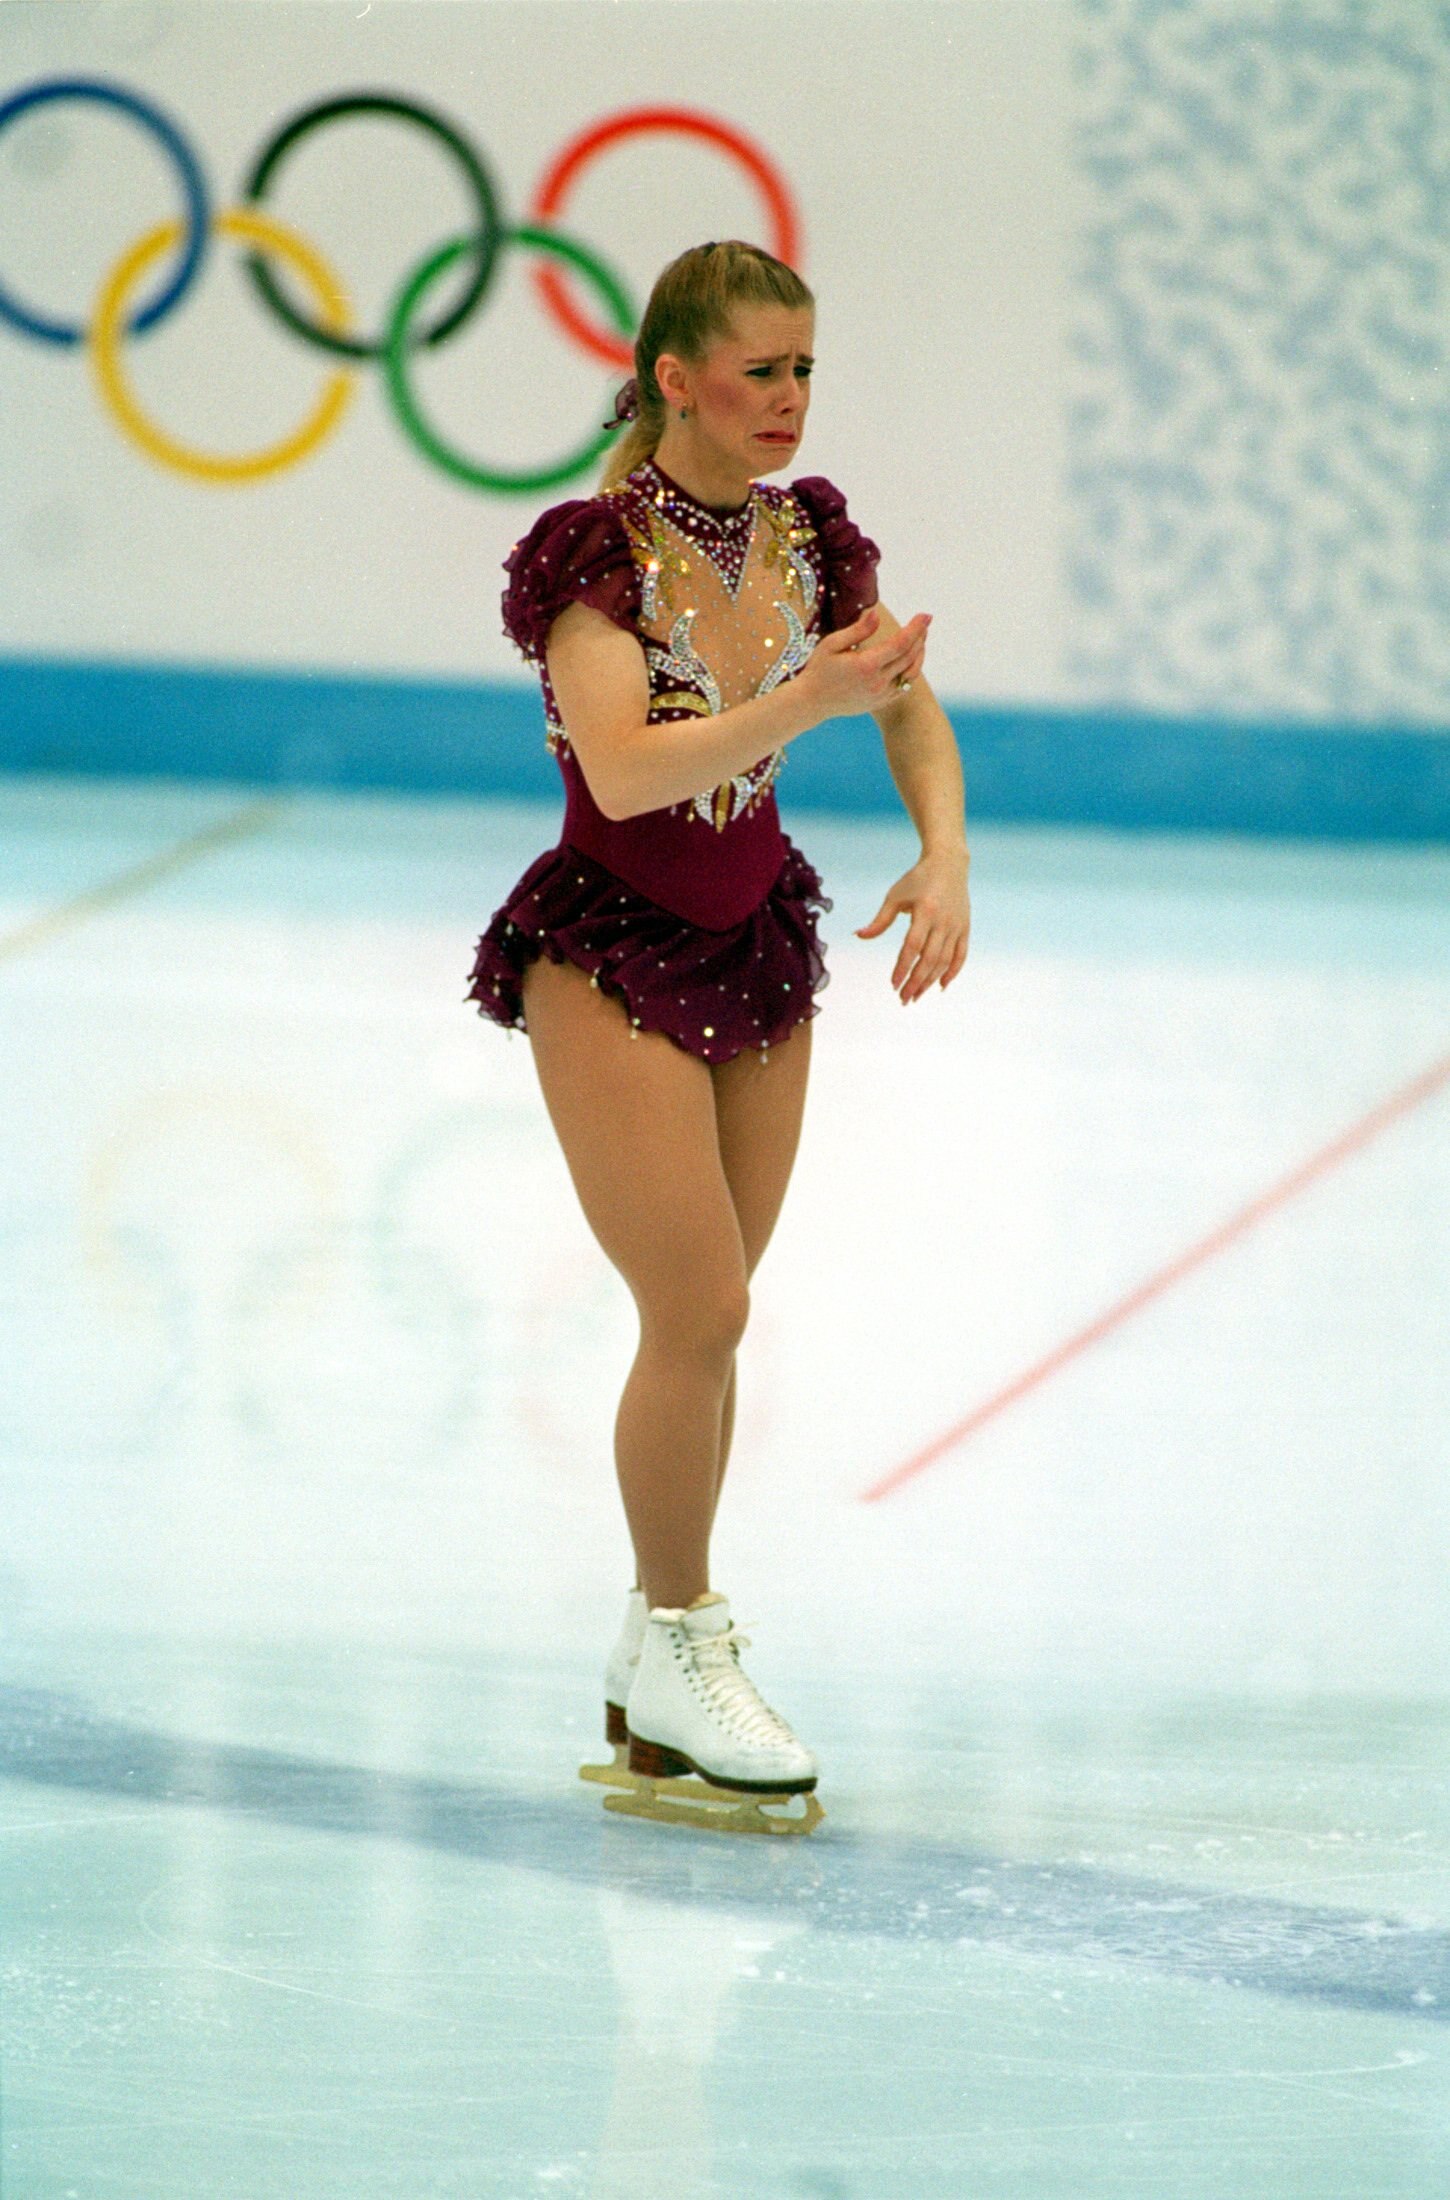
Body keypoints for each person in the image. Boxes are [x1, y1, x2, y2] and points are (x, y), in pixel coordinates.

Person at [466, 239, 972, 1833]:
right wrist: (805, 704)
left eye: (806, 368)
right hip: (607, 951)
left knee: (714, 1318)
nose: (788, 401)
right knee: (694, 1305)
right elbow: (622, 773)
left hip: (756, 947)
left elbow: (901, 699)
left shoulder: (813, 540)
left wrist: (942, 845)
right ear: (674, 377)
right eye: (758, 371)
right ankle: (684, 1641)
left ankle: (646, 1656)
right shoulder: (589, 558)